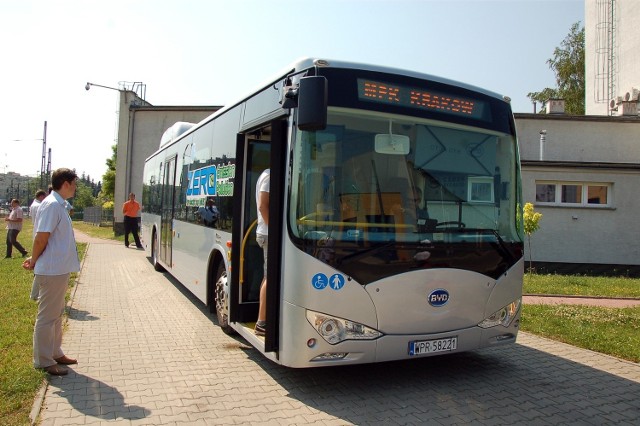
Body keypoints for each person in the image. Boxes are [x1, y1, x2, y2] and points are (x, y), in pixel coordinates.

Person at [22, 168, 80, 376]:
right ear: (65, 183)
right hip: (52, 270)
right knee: (47, 317)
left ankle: (55, 352)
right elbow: (41, 237)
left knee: (56, 315)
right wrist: (34, 259)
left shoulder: (58, 205)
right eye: (74, 183)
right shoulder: (52, 205)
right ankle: (44, 360)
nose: (75, 187)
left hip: (59, 269)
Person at [254, 169, 270, 336]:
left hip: (265, 231)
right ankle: (262, 323)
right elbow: (263, 205)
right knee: (270, 277)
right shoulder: (270, 176)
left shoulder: (266, 175)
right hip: (267, 233)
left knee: (267, 276)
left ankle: (263, 318)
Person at [29, 190, 48, 301]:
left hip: (38, 235)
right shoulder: (40, 206)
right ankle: (35, 294)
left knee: (39, 265)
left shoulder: (34, 205)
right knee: (40, 266)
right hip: (41, 237)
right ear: (41, 196)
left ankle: (36, 294)